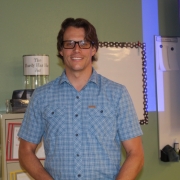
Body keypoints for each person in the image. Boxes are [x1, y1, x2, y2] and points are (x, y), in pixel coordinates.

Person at [18, 17, 144, 180]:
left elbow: (136, 154)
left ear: (93, 49)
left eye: (84, 43)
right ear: (61, 50)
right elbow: (25, 151)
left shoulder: (117, 94)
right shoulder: (42, 96)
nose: (76, 50)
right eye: (69, 43)